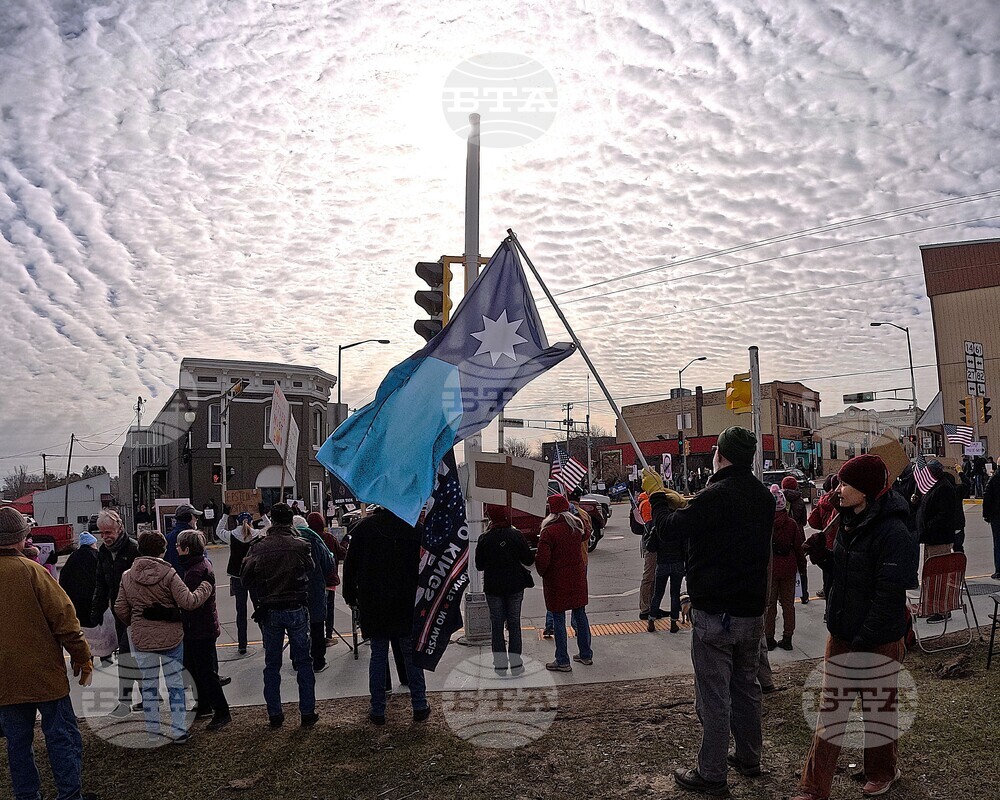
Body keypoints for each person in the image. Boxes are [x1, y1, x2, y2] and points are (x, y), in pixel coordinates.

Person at [644, 426, 774, 797]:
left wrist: (656, 497)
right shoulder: (762, 497)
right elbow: (707, 514)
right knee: (746, 688)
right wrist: (683, 500)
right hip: (751, 611)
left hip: (717, 613)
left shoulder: (717, 496)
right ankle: (750, 757)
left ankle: (712, 772)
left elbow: (669, 530)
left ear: (719, 453)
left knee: (714, 696)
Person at [794, 454, 918, 800]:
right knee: (831, 711)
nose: (839, 490)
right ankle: (813, 787)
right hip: (843, 633)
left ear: (865, 491)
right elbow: (848, 577)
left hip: (878, 638)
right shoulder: (847, 521)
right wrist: (824, 556)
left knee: (879, 711)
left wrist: (865, 638)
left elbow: (889, 591)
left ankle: (881, 771)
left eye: (846, 484)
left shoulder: (894, 531)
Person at [0, 508, 96, 800]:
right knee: (62, 739)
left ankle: (27, 796)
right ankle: (70, 795)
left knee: (18, 745)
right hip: (45, 677)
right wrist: (82, 657)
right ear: (21, 537)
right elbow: (65, 621)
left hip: (6, 681)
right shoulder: (34, 572)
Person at [115, 531, 213, 743]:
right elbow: (188, 601)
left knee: (149, 686)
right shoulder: (169, 574)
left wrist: (135, 623)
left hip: (142, 638)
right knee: (175, 683)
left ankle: (153, 730)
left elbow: (120, 608)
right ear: (162, 551)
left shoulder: (127, 576)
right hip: (171, 635)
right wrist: (206, 587)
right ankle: (178, 730)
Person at [341, 505, 429, 725]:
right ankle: (419, 705)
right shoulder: (414, 529)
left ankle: (378, 709)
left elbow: (350, 567)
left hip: (374, 602)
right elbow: (426, 567)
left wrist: (351, 596)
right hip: (406, 601)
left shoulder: (363, 530)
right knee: (410, 654)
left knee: (378, 655)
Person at [240, 503, 318, 728]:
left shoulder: (259, 547)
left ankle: (275, 713)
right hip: (295, 607)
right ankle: (307, 711)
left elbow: (245, 578)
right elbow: (310, 570)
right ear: (291, 520)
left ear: (272, 521)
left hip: (270, 609)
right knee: (303, 661)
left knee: (272, 664)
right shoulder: (301, 545)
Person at [177, 529, 231, 731]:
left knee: (206, 672)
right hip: (200, 627)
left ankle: (222, 710)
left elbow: (190, 602)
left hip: (200, 629)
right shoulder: (198, 565)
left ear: (187, 549)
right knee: (196, 669)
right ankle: (204, 706)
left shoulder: (195, 572)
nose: (176, 548)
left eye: (179, 546)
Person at [90, 508, 141, 717]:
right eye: (102, 533)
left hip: (136, 615)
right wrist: (96, 611)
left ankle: (137, 700)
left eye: (108, 532)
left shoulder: (133, 549)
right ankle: (128, 701)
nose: (105, 537)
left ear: (119, 528)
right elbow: (101, 584)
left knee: (134, 658)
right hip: (118, 614)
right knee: (127, 658)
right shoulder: (103, 552)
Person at [536, 494, 593, 672]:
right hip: (577, 578)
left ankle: (562, 660)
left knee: (558, 619)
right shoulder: (576, 527)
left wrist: (542, 572)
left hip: (556, 581)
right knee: (580, 614)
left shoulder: (548, 531)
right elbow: (588, 532)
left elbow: (542, 561)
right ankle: (585, 654)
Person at [475, 505, 535, 674]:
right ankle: (516, 665)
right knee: (514, 624)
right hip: (515, 586)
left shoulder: (484, 539)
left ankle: (500, 665)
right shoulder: (516, 535)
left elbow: (479, 565)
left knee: (497, 625)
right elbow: (528, 559)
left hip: (493, 587)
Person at [216, 508, 264, 654]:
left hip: (237, 576)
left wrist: (225, 514)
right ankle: (267, 639)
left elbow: (219, 530)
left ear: (236, 522)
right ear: (251, 521)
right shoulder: (257, 535)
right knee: (259, 608)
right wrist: (263, 514)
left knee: (240, 612)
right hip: (254, 576)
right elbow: (267, 527)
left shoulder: (231, 536)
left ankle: (242, 644)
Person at [292, 514, 336, 673]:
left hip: (294, 591)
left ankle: (297, 661)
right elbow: (329, 565)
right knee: (317, 625)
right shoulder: (316, 540)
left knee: (296, 628)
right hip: (315, 588)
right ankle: (318, 661)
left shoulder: (289, 541)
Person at [765, 485, 805, 652]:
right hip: (789, 568)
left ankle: (769, 638)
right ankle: (787, 637)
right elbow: (799, 547)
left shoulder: (765, 523)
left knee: (770, 605)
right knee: (788, 605)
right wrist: (802, 567)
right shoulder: (791, 524)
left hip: (771, 569)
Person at [646, 490, 687, 634]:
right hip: (677, 563)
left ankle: (651, 619)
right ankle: (674, 622)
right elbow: (685, 547)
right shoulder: (678, 523)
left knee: (658, 592)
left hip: (662, 562)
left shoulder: (660, 525)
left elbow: (650, 547)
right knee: (674, 594)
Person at [308, 511, 347, 646]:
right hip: (329, 581)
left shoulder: (306, 540)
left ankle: (314, 636)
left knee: (314, 611)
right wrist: (346, 542)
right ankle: (328, 635)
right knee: (329, 609)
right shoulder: (329, 538)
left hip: (312, 584)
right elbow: (342, 554)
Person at [59, 531, 100, 633]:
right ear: (92, 543)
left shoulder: (73, 557)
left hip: (75, 599)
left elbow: (63, 577)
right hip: (93, 597)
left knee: (81, 628)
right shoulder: (97, 556)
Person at [808, 475, 840, 600]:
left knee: (827, 575)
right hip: (839, 542)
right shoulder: (842, 501)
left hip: (827, 541)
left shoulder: (822, 501)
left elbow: (812, 521)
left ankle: (828, 605)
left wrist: (823, 525)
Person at [781, 476, 810, 604]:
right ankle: (804, 595)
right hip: (798, 533)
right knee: (801, 565)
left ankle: (784, 596)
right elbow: (804, 521)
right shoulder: (800, 500)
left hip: (783, 534)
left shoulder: (779, 499)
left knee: (784, 565)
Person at [165, 503, 201, 575]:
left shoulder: (167, 538)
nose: (197, 519)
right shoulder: (194, 538)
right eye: (195, 516)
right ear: (188, 518)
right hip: (192, 580)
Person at [984, 466, 1000, 580]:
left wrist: (986, 515)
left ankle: (999, 570)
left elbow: (987, 496)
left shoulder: (994, 478)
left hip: (997, 515)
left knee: (998, 543)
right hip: (996, 514)